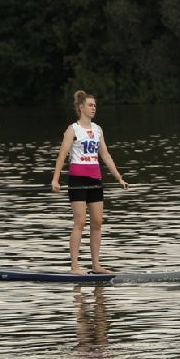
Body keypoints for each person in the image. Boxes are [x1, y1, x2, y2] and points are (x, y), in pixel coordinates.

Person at [49, 90, 128, 273]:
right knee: (80, 222)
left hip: (95, 179)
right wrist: (55, 179)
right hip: (78, 179)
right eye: (90, 105)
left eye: (95, 105)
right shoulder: (73, 130)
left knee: (97, 222)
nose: (94, 108)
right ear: (81, 108)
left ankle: (96, 265)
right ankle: (75, 266)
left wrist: (119, 177)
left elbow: (106, 156)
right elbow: (62, 155)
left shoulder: (98, 129)